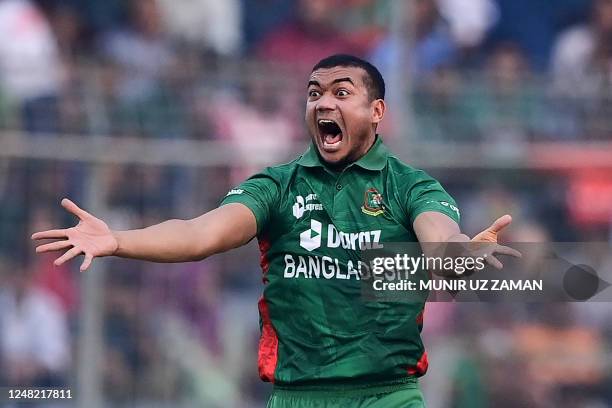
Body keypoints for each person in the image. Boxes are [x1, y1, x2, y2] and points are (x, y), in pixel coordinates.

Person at [33, 54, 520, 407]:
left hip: (387, 395)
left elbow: (439, 234)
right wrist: (120, 240)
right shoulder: (276, 186)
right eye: (314, 94)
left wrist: (458, 253)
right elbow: (202, 233)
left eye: (341, 92)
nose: (322, 102)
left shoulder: (410, 185)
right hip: (296, 395)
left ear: (377, 112)